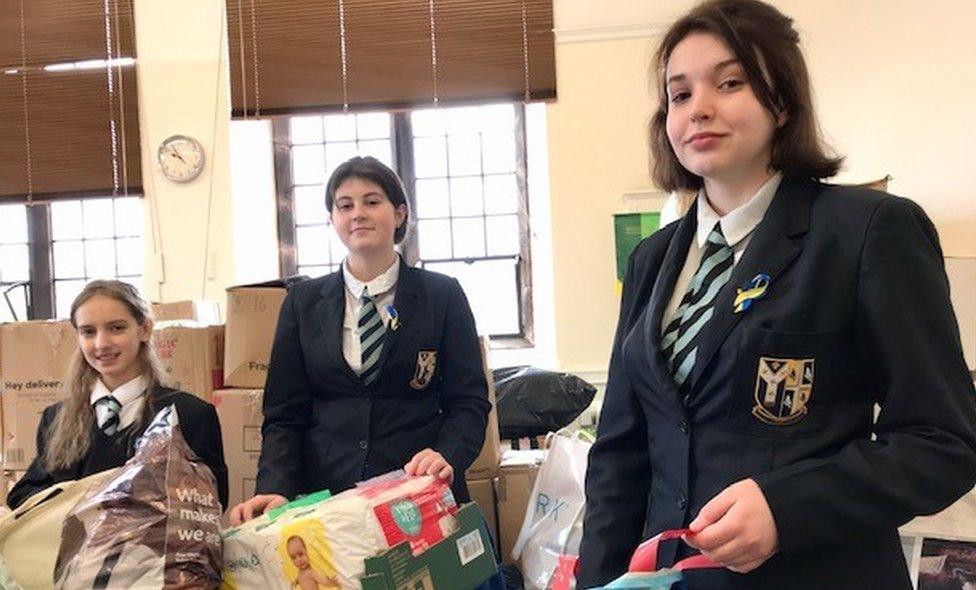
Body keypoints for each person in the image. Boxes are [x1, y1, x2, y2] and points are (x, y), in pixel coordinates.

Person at [576, 1, 976, 588]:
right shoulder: (651, 260)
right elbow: (620, 453)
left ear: (781, 100)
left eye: (730, 82)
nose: (699, 109)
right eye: (679, 95)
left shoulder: (867, 232)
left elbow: (944, 442)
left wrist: (788, 508)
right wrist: (597, 582)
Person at [229, 156, 490, 525]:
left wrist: (446, 453)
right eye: (344, 205)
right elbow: (284, 415)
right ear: (333, 219)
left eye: (372, 201)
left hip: (418, 492)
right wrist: (276, 485)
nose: (358, 214)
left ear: (399, 214)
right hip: (329, 499)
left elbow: (470, 400)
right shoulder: (303, 303)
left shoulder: (442, 295)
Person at [7, 280, 229, 510]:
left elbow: (212, 499)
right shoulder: (56, 418)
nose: (101, 343)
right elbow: (23, 495)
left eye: (116, 328)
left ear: (145, 329)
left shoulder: (190, 415)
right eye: (88, 332)